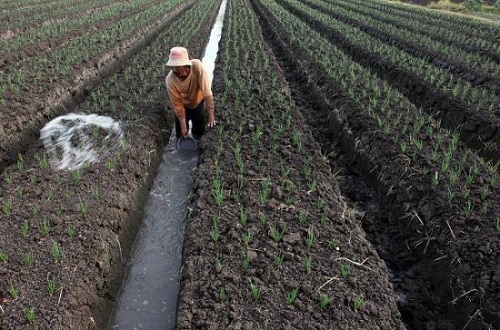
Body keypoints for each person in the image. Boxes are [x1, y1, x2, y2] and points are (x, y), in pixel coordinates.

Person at [165, 46, 216, 140]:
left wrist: (211, 116)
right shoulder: (170, 80)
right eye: (174, 69)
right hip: (183, 105)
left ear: (185, 66)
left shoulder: (197, 67)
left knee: (198, 132)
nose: (176, 72)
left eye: (179, 69)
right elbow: (177, 105)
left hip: (198, 102)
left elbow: (207, 93)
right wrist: (184, 127)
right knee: (181, 134)